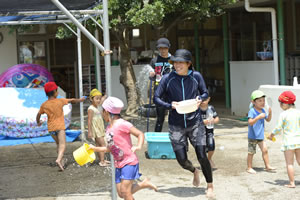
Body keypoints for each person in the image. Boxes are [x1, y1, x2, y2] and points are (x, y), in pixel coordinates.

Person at [153, 49, 214, 198]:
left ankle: (210, 185)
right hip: (176, 124)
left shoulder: (196, 76)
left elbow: (205, 92)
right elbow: (156, 98)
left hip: (195, 122)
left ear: (188, 63)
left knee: (202, 155)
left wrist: (200, 97)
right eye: (175, 62)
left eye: (181, 62)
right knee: (181, 160)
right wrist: (170, 105)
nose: (177, 65)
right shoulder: (167, 79)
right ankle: (194, 171)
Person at [89, 96, 157, 200]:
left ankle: (144, 184)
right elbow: (109, 148)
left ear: (106, 112)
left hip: (129, 162)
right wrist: (94, 148)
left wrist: (138, 146)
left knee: (125, 192)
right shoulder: (108, 128)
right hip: (119, 164)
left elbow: (140, 134)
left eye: (102, 111)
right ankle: (144, 184)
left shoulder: (122, 124)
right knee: (122, 194)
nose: (102, 114)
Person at [36, 82, 86, 171]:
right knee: (63, 145)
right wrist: (80, 100)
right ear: (55, 92)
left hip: (51, 129)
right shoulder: (60, 101)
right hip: (60, 127)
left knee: (58, 144)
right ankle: (59, 159)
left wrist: (38, 122)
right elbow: (72, 100)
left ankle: (62, 162)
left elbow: (38, 114)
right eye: (57, 91)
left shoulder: (44, 105)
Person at [268, 91, 300, 188]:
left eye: (281, 103)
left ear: (286, 103)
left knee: (289, 163)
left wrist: (271, 135)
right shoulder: (299, 112)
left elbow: (278, 128)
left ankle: (292, 183)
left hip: (288, 143)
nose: (280, 105)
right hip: (299, 141)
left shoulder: (283, 115)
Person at [246, 90, 275, 174]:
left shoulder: (263, 111)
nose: (262, 102)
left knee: (265, 150)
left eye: (263, 100)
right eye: (260, 101)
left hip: (260, 135)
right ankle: (249, 167)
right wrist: (258, 117)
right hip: (252, 136)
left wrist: (270, 113)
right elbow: (250, 122)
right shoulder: (252, 111)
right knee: (251, 152)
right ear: (253, 102)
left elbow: (268, 120)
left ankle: (267, 166)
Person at [149, 37, 172, 132]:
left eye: (165, 48)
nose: (162, 50)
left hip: (172, 91)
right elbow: (151, 78)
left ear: (168, 48)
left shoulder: (174, 59)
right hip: (159, 91)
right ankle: (157, 139)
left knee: (174, 118)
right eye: (160, 48)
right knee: (160, 118)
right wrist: (151, 75)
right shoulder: (154, 61)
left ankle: (176, 138)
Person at [87, 88, 110, 167]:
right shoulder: (91, 109)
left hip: (99, 128)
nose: (98, 101)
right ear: (91, 99)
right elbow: (89, 120)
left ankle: (101, 160)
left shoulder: (97, 106)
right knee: (103, 145)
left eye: (99, 99)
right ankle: (102, 161)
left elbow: (103, 99)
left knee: (98, 145)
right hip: (96, 130)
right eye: (96, 99)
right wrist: (89, 131)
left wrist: (105, 95)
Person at [199, 96, 220, 169]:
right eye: (201, 99)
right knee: (201, 148)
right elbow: (192, 121)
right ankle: (204, 162)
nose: (203, 101)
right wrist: (202, 122)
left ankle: (209, 159)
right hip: (199, 132)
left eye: (205, 99)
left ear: (209, 99)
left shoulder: (211, 108)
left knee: (211, 146)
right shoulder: (196, 109)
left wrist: (213, 121)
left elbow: (217, 118)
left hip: (209, 130)